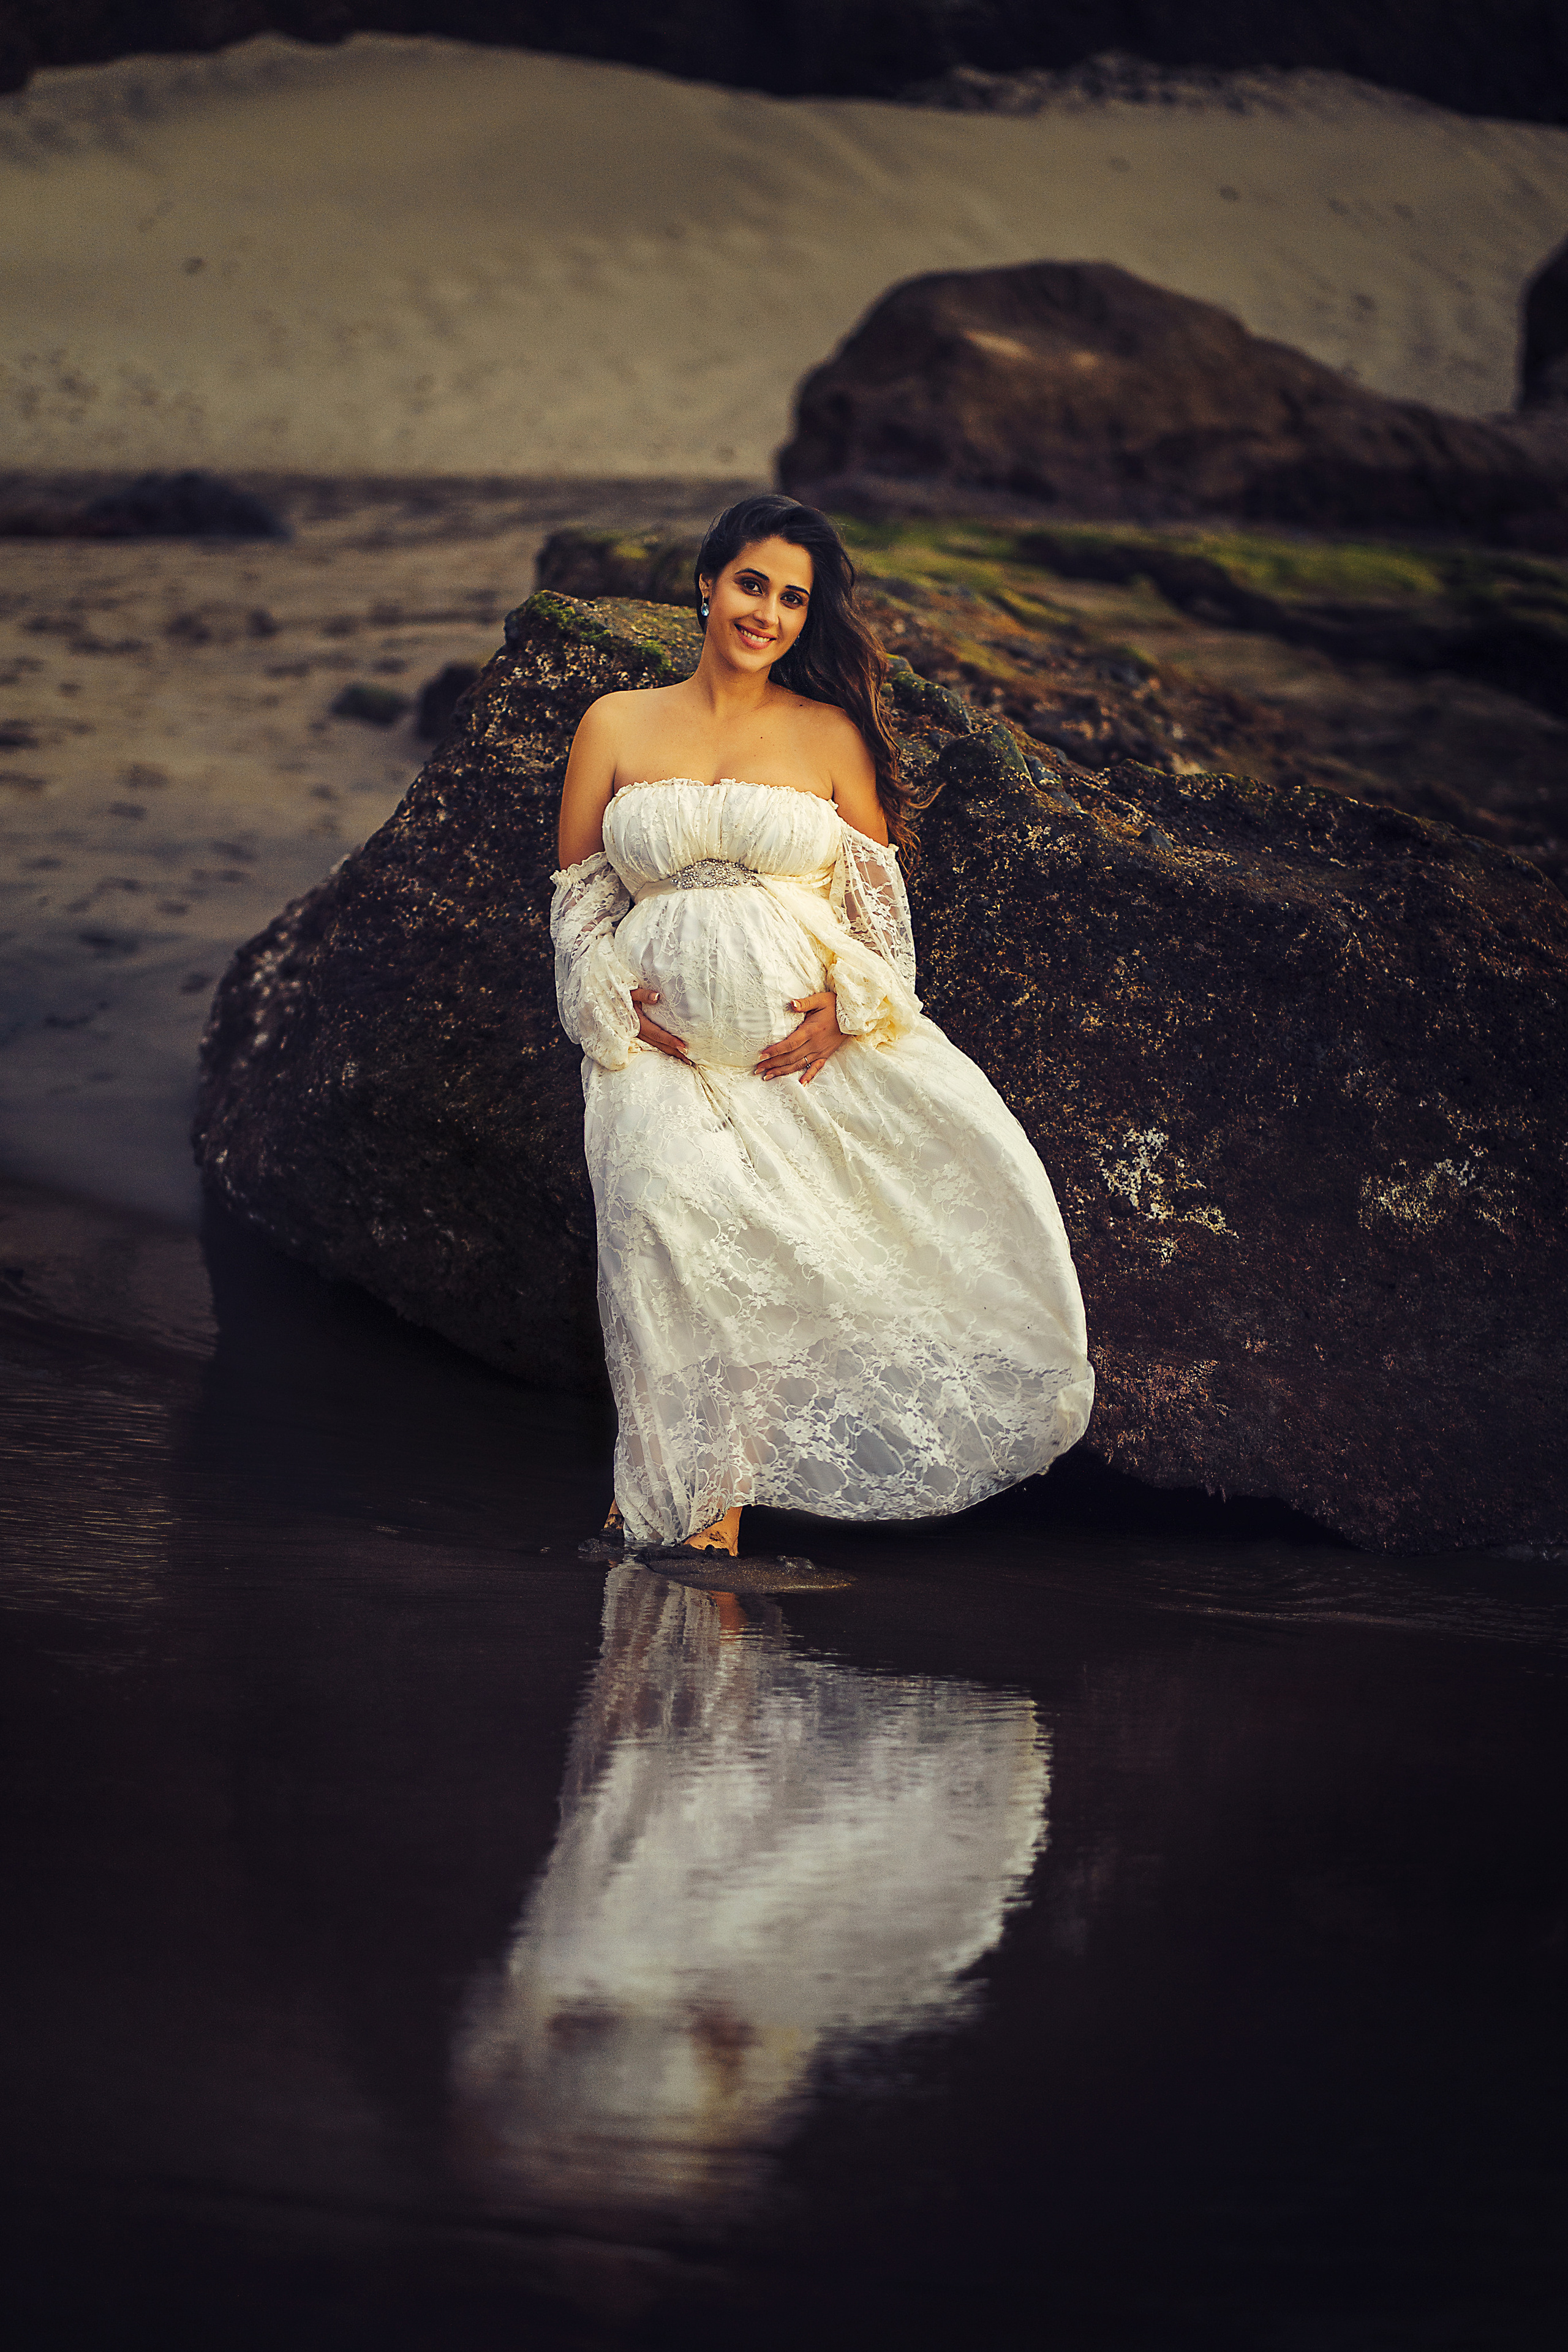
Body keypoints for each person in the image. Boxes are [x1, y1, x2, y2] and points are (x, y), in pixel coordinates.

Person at [550, 494, 1093, 1559]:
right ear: (707, 585)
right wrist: (605, 998)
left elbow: (877, 915)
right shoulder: (615, 721)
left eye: (793, 599)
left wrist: (851, 1013)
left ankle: (711, 1515)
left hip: (795, 1061)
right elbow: (578, 895)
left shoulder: (831, 733)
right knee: (659, 1240)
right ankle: (656, 1495)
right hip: (654, 1055)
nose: (768, 613)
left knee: (767, 1265)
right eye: (752, 585)